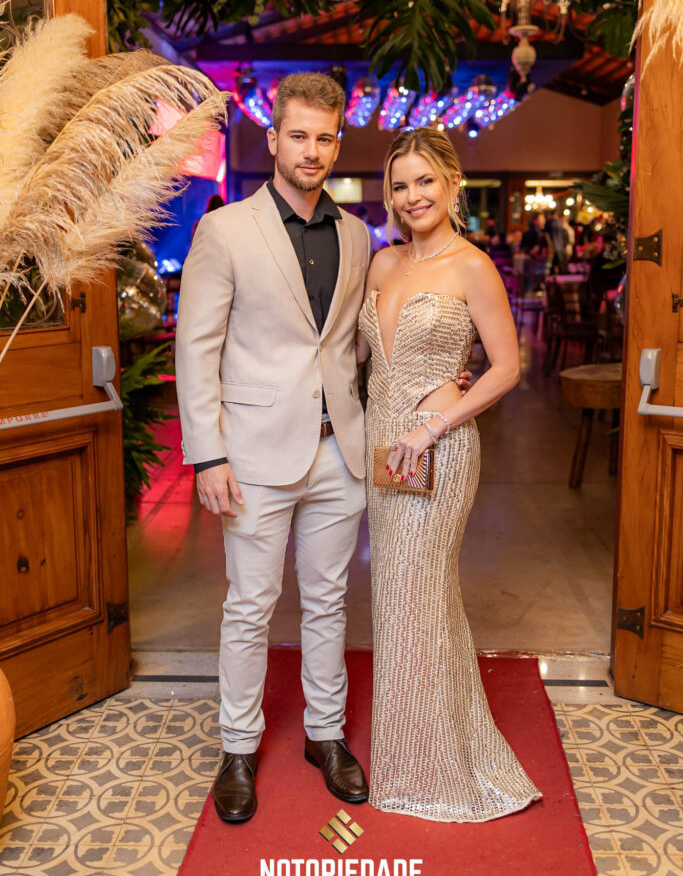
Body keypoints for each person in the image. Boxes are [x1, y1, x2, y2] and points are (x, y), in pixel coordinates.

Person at [175, 72, 475, 824]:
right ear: (273, 138)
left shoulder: (356, 237)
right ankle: (238, 747)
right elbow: (196, 350)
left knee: (329, 601)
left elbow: (357, 346)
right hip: (251, 455)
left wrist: (442, 374)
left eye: (325, 138)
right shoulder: (226, 230)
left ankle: (326, 734)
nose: (312, 150)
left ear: (338, 145)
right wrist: (207, 456)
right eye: (299, 136)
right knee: (249, 606)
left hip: (341, 452)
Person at [355, 128, 541, 822]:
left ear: (452, 183)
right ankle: (415, 750)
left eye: (424, 181)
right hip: (383, 449)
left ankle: (434, 769)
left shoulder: (472, 267)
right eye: (400, 185)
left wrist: (435, 421)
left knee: (420, 593)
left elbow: (507, 367)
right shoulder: (381, 263)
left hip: (438, 448)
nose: (412, 197)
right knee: (400, 600)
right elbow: (360, 357)